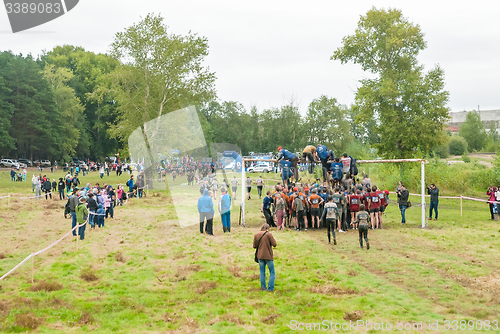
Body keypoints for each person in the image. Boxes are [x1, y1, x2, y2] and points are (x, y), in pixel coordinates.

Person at [253, 223, 277, 292]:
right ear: (267, 228)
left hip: (260, 256)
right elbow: (274, 244)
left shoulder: (256, 234)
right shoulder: (269, 234)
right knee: (272, 272)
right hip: (268, 256)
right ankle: (270, 288)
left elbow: (254, 246)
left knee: (262, 272)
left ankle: (263, 288)